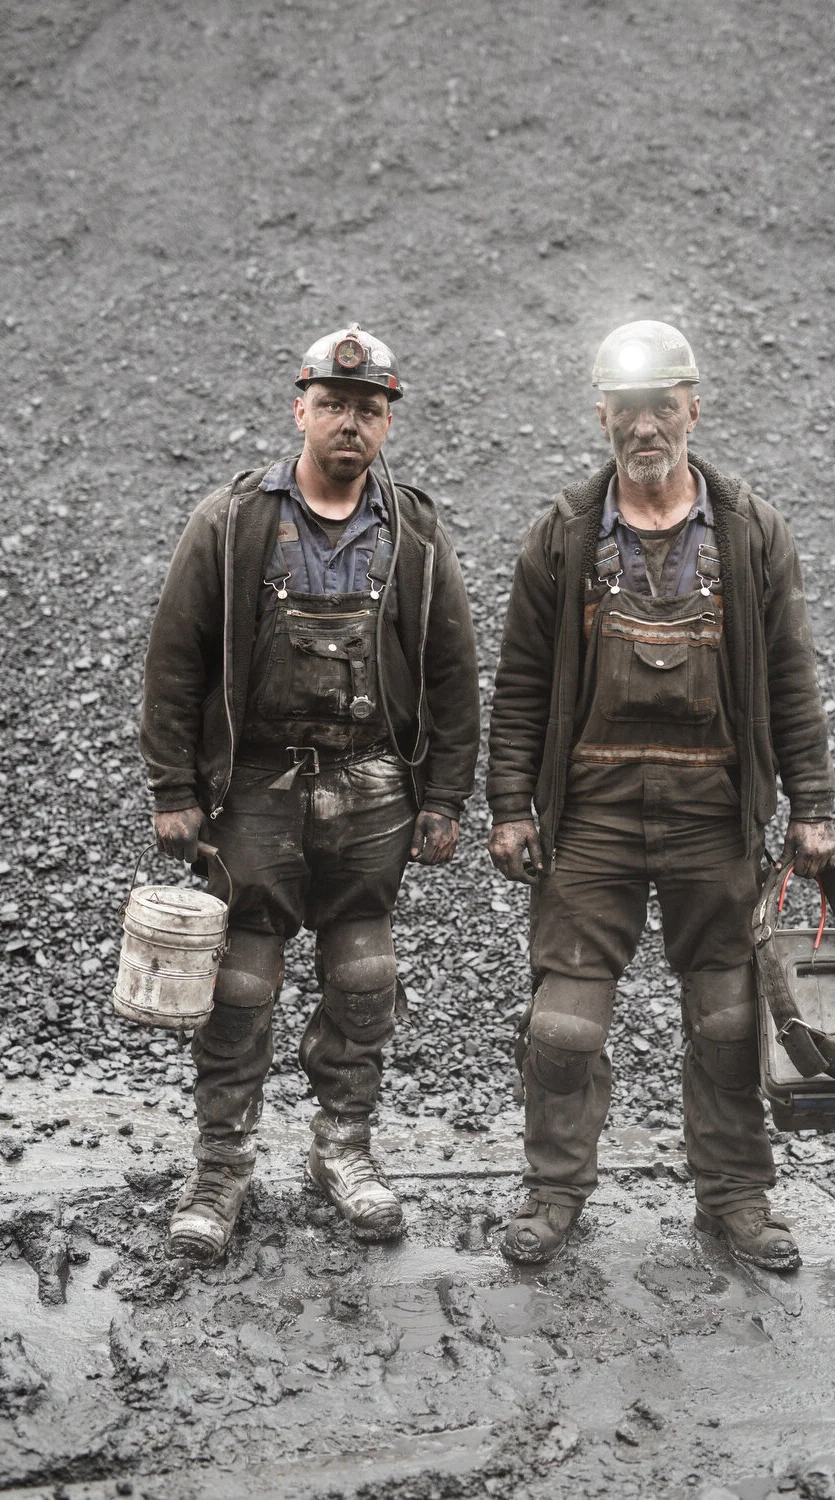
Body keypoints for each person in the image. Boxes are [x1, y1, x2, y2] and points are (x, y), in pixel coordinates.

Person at [486, 320, 835, 1270]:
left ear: (695, 406)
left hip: (711, 814)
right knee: (563, 1026)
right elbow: (520, 683)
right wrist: (510, 805)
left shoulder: (751, 533)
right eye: (628, 408)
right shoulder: (562, 536)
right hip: (591, 815)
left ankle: (736, 1199)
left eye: (664, 404)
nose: (647, 425)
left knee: (728, 1019)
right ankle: (555, 1193)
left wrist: (812, 804)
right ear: (602, 414)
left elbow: (792, 680)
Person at [140, 324, 480, 1261]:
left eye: (368, 410)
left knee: (365, 975)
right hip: (256, 788)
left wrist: (445, 796)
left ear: (386, 425)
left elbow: (453, 670)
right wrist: (174, 787)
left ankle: (344, 1152)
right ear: (300, 409)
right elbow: (172, 660)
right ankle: (221, 1168)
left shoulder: (413, 528)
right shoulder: (234, 521)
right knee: (243, 980)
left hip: (375, 788)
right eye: (332, 404)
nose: (349, 424)